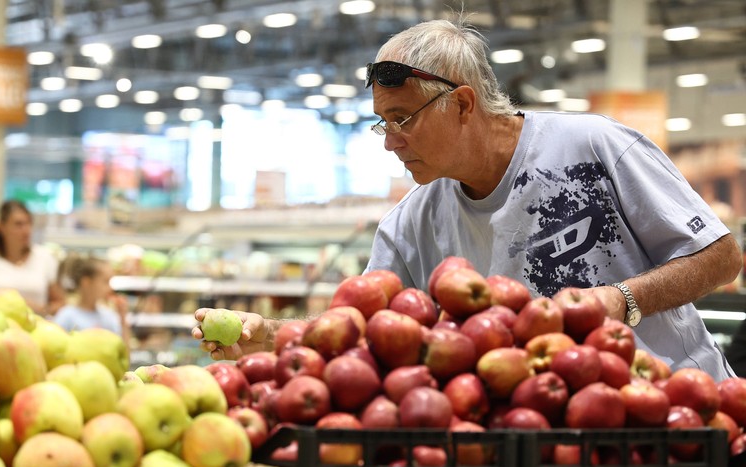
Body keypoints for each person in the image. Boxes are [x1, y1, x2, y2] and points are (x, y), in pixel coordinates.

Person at [192, 17, 741, 381]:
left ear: (461, 102)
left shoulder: (593, 146)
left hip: (680, 416)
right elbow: (358, 334)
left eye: (403, 119)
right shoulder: (411, 225)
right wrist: (272, 337)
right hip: (547, 446)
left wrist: (623, 298)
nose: (390, 141)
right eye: (381, 123)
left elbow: (722, 258)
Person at [0, 199, 66, 316]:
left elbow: (60, 302)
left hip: (36, 328)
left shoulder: (45, 257)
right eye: (18, 224)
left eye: (29, 223)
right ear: (2, 227)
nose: (26, 230)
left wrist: (43, 309)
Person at [52, 254, 131, 346]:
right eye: (105, 281)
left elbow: (124, 355)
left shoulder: (109, 316)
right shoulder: (67, 316)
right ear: (86, 282)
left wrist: (123, 320)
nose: (110, 288)